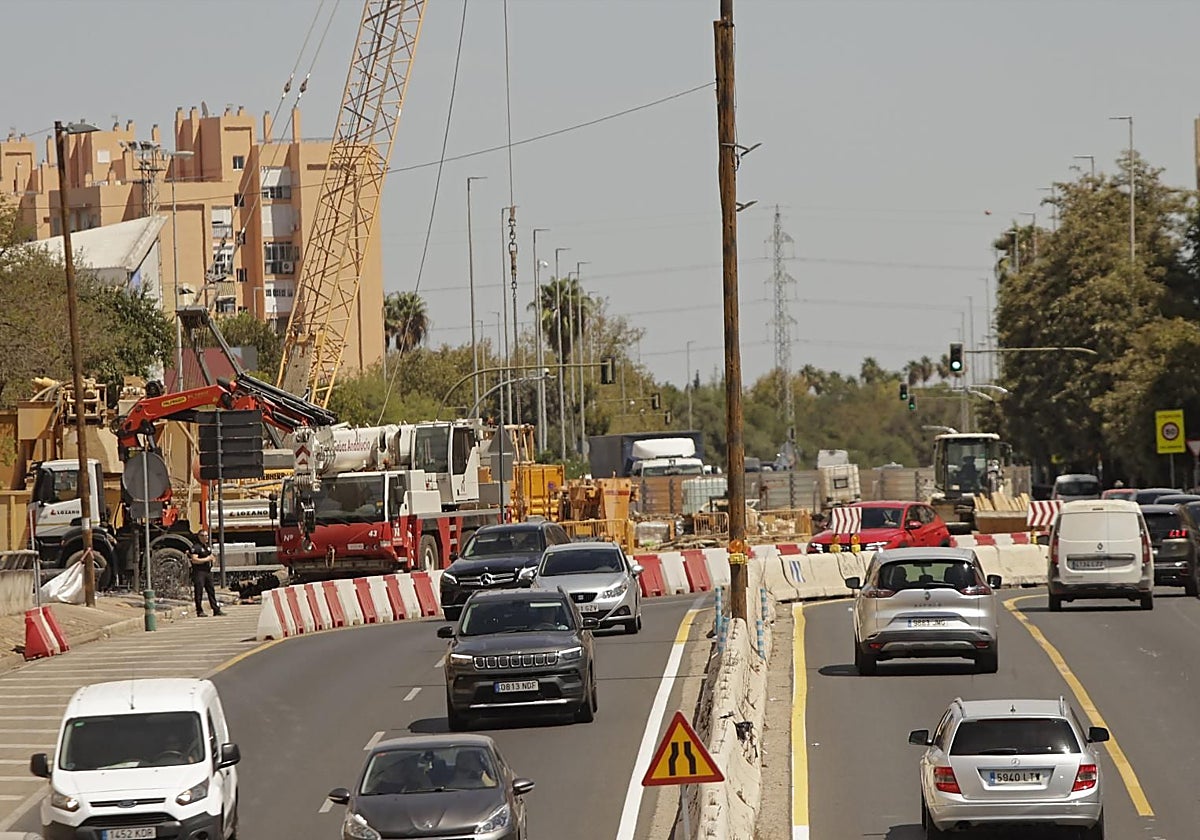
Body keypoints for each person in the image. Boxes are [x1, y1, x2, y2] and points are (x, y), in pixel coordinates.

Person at [187, 528, 223, 617]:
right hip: (199, 572)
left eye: (206, 536)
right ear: (199, 537)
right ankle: (199, 611)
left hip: (207, 571)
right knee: (199, 591)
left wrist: (212, 559)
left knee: (211, 591)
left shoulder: (206, 546)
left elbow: (210, 555)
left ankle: (216, 609)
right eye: (202, 536)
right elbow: (194, 560)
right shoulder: (196, 547)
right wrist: (207, 559)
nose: (205, 537)